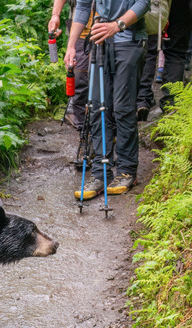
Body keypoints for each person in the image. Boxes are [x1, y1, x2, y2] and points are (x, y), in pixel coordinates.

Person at [65, 0, 150, 198]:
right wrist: (71, 46)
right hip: (100, 44)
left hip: (129, 42)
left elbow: (144, 3)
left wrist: (116, 25)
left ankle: (126, 170)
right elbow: (84, 7)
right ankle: (99, 173)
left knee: (122, 107)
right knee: (96, 106)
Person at [49, 0, 93, 130]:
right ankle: (79, 120)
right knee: (79, 78)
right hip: (81, 30)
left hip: (110, 32)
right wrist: (55, 14)